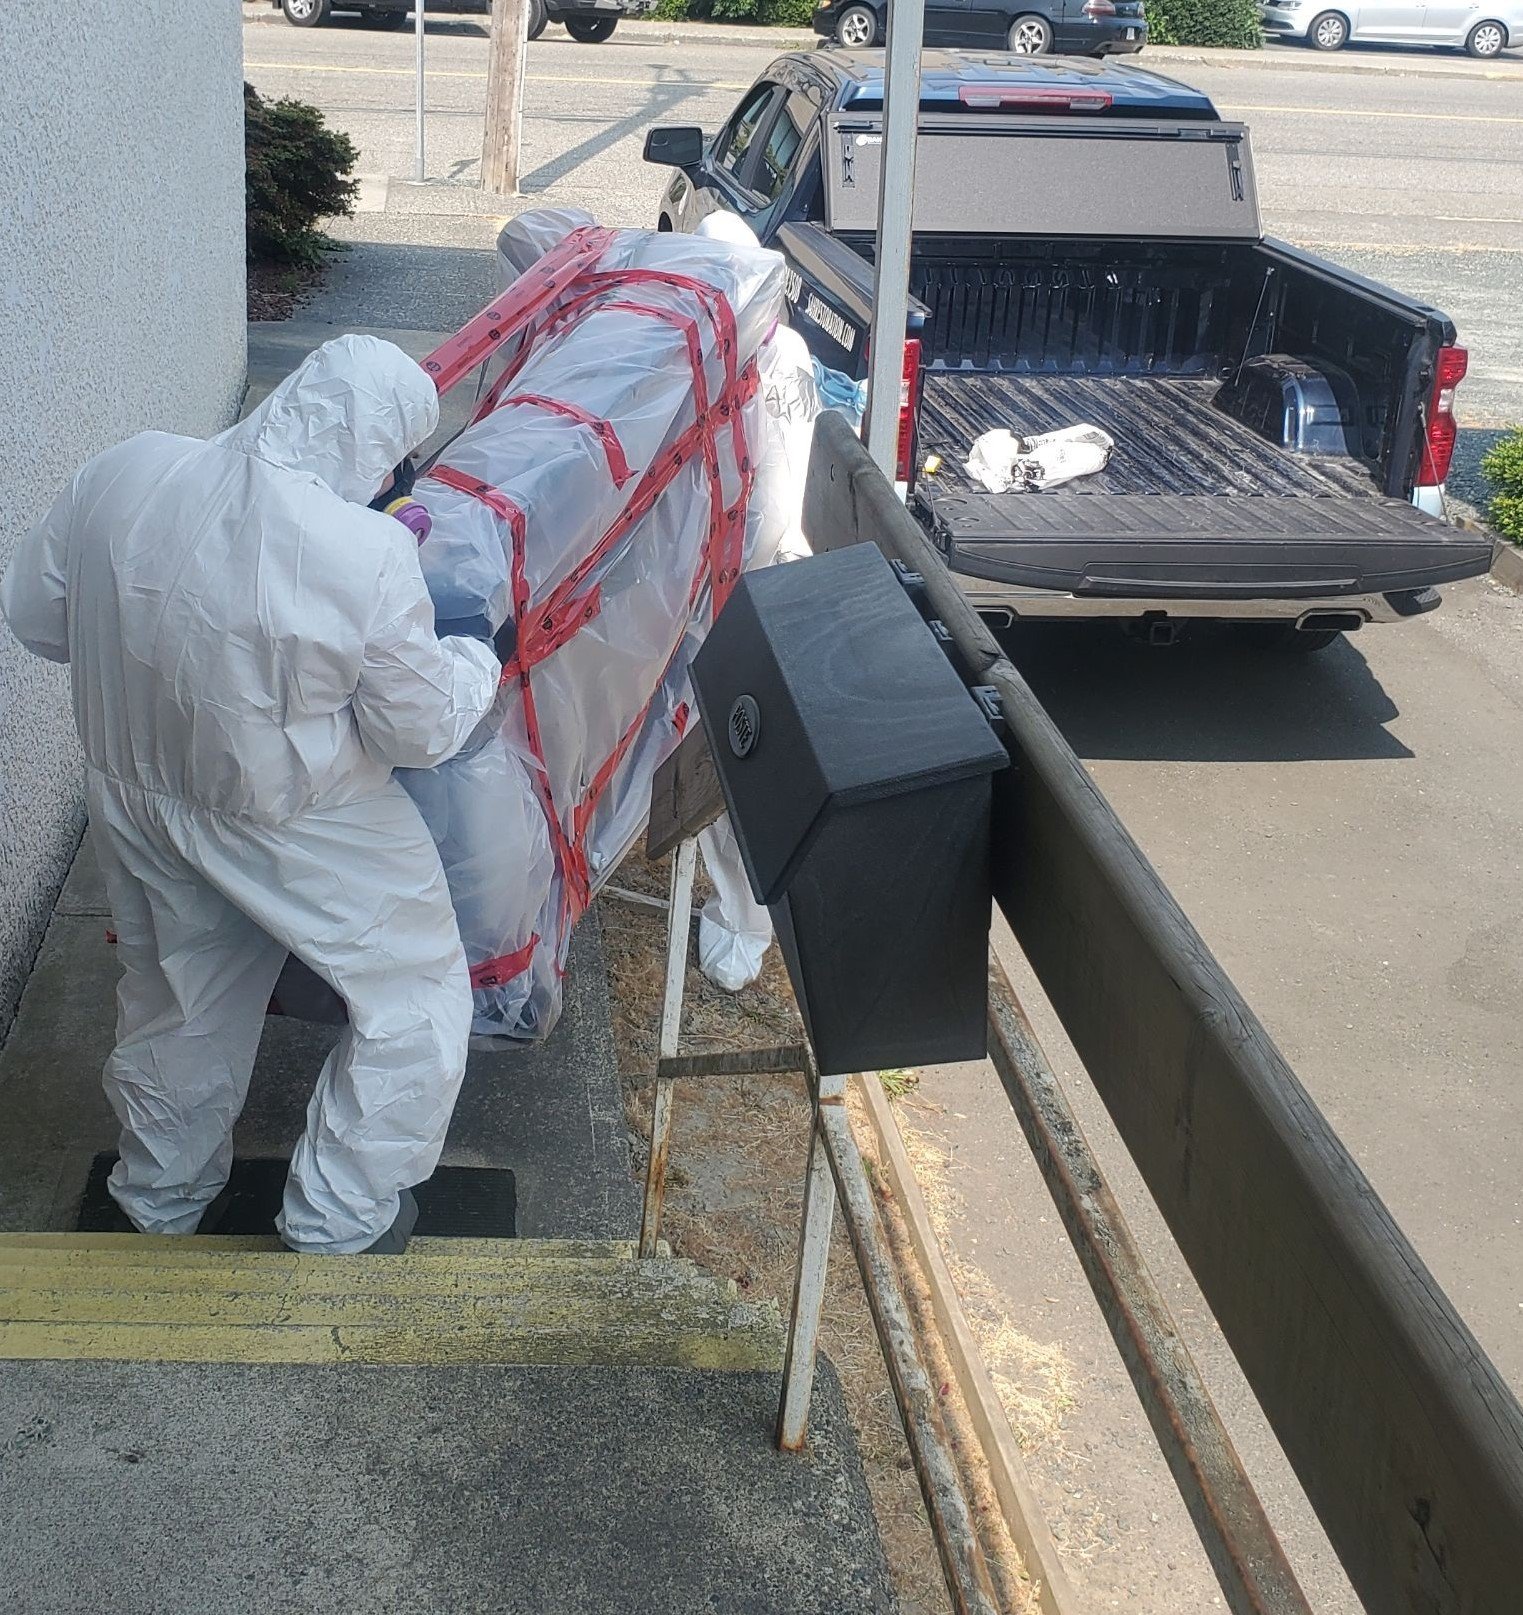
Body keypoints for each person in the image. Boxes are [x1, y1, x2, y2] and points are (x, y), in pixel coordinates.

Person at [0, 335, 501, 1254]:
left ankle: (158, 1202)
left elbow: (35, 618)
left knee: (179, 1004)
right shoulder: (365, 552)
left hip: (137, 799)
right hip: (299, 820)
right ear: (384, 451)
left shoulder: (125, 468)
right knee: (413, 995)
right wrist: (475, 657)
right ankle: (337, 1221)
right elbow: (419, 731)